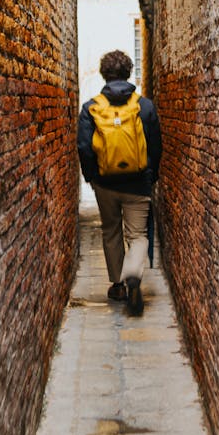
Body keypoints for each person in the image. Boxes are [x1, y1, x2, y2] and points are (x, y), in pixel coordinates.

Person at [77, 50, 162, 316]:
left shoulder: (91, 107)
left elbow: (84, 147)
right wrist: (152, 175)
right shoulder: (144, 106)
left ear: (104, 74)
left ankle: (118, 285)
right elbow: (156, 145)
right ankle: (133, 274)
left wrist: (91, 177)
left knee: (111, 231)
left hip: (105, 184)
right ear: (128, 73)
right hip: (138, 183)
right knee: (137, 235)